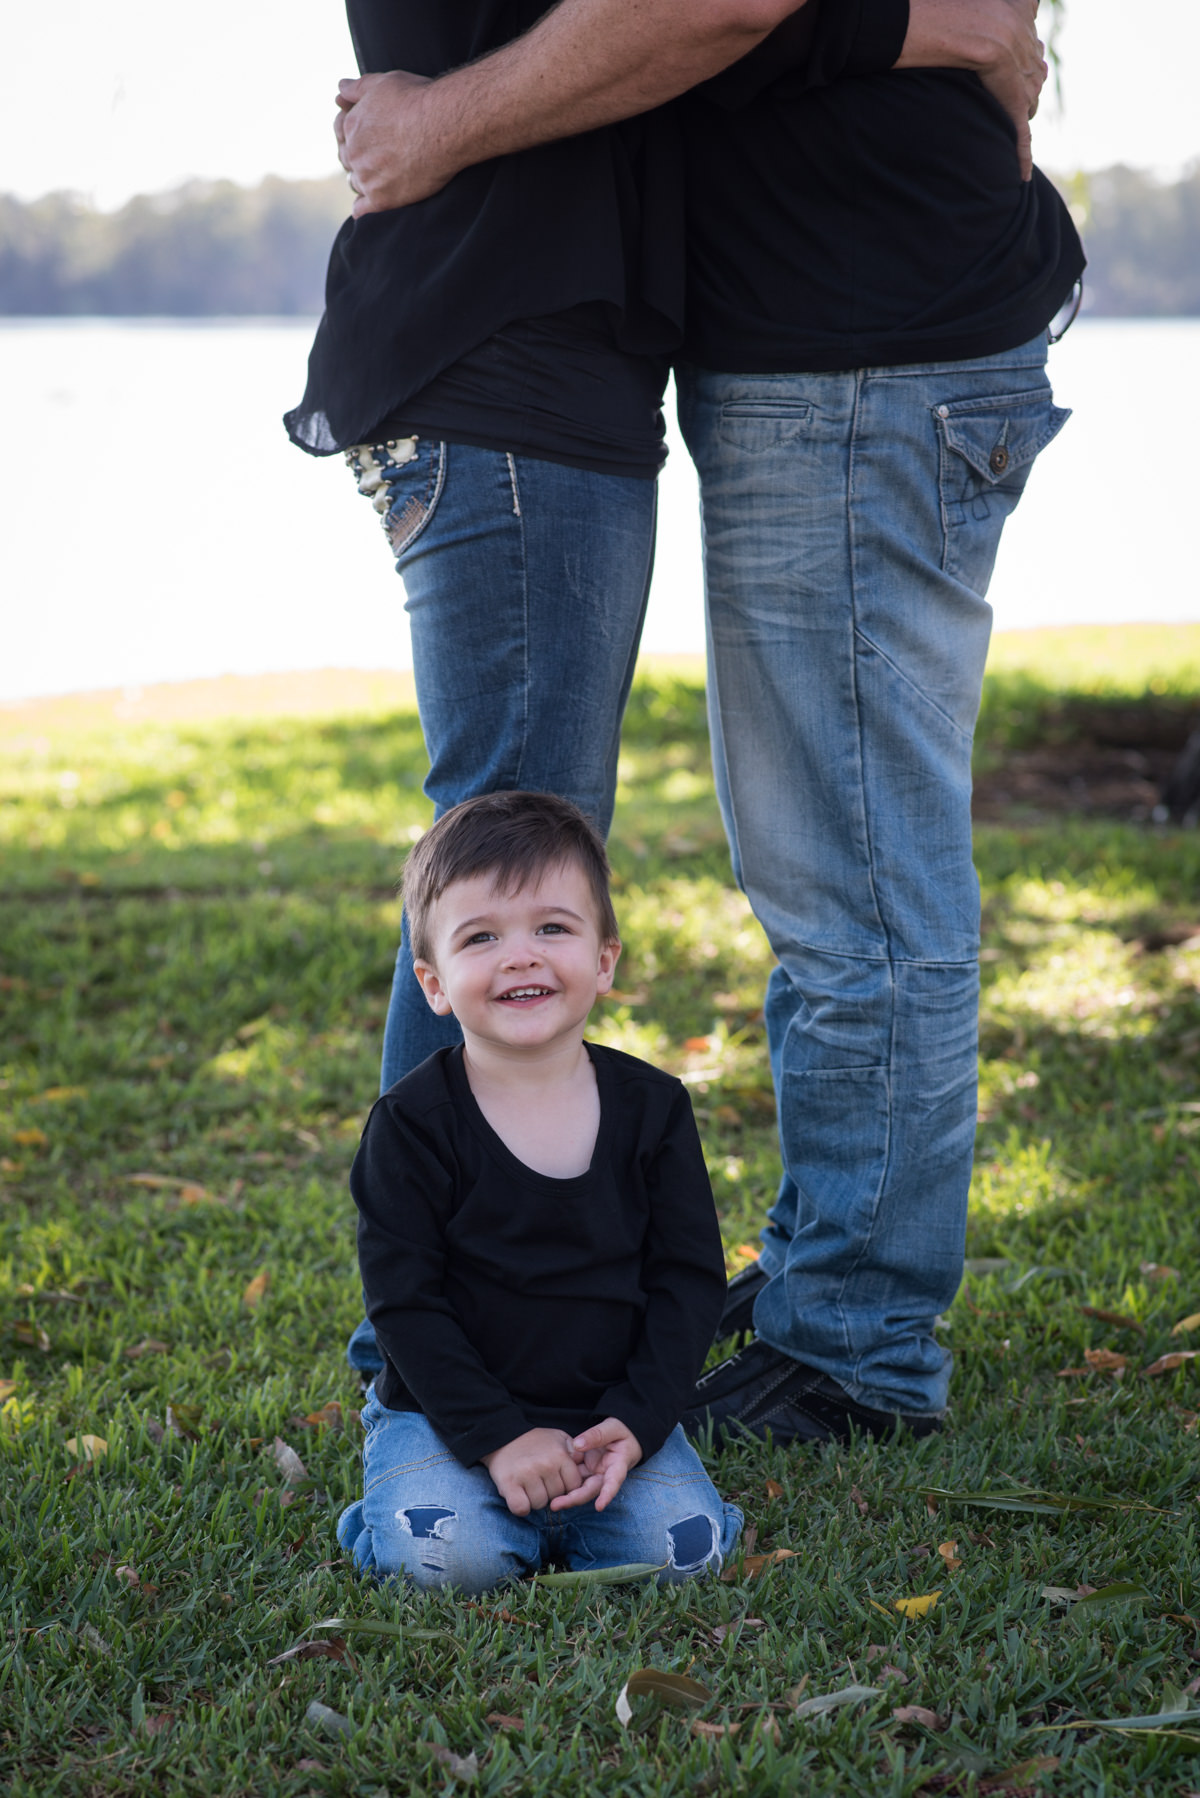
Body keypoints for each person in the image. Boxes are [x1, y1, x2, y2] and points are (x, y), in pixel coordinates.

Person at [333, 0, 1085, 1450]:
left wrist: (955, 29)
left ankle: (854, 1343)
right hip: (804, 338)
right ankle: (541, 1322)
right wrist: (942, 27)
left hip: (862, 338)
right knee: (655, 870)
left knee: (851, 879)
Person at [335, 791, 742, 1592]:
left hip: (605, 1416)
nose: (520, 956)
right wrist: (497, 1438)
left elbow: (687, 1281)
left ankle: (572, 1512)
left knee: (682, 1556)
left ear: (604, 960)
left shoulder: (653, 1109)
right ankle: (391, 1511)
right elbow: (405, 1305)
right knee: (449, 1566)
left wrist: (638, 1417)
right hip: (447, 1419)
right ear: (434, 982)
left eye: (552, 928)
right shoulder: (410, 1125)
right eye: (481, 937)